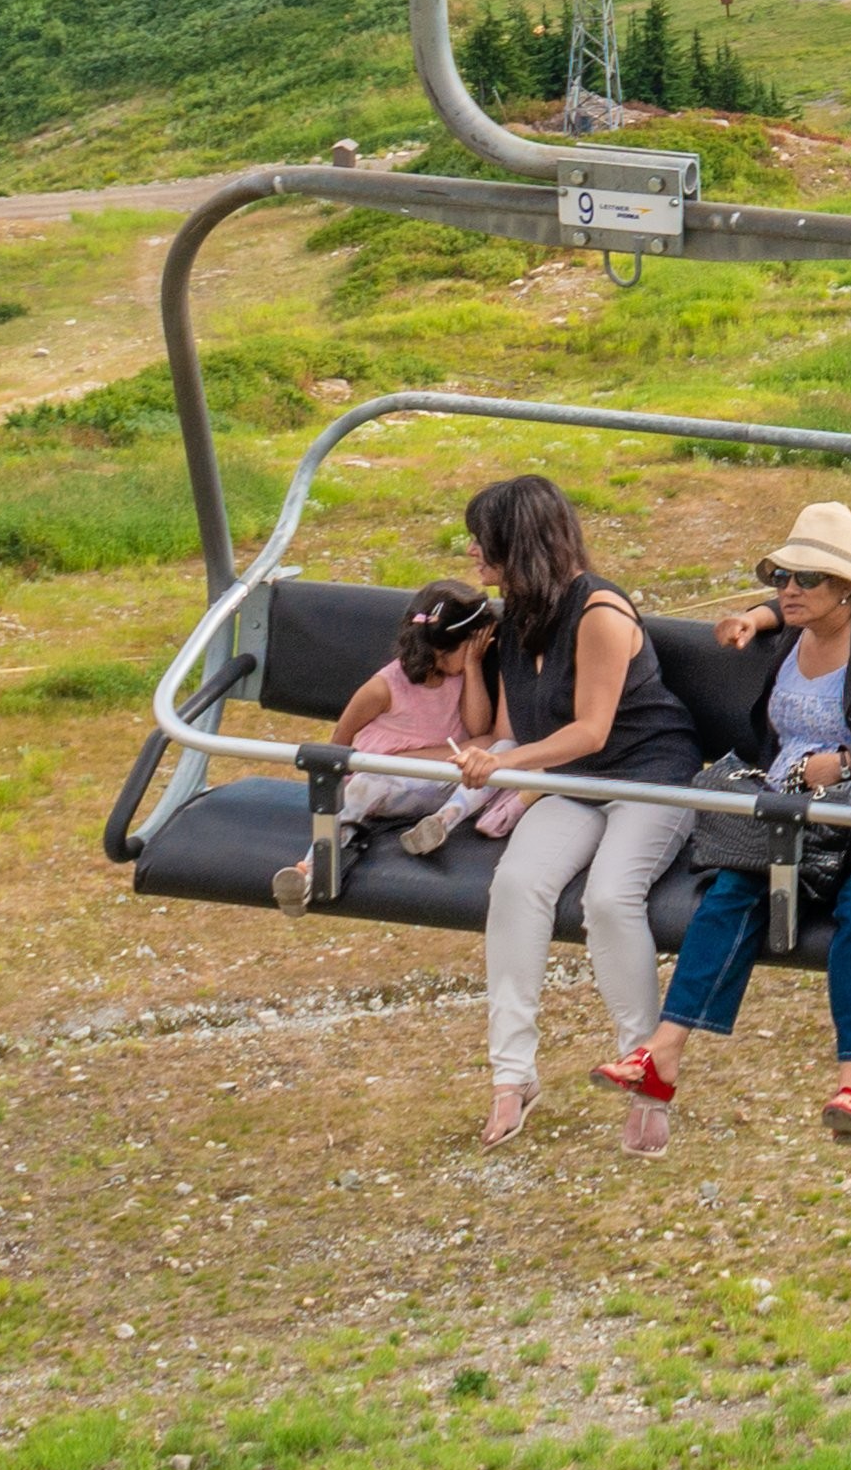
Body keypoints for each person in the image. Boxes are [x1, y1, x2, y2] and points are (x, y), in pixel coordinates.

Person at [634, 500, 851, 1146]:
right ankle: (663, 1051)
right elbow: (777, 615)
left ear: (846, 588)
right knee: (731, 889)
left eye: (805, 579)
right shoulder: (795, 629)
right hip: (798, 819)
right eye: (780, 577)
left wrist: (847, 760)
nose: (788, 590)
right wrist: (750, 618)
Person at [446, 471, 702, 1151]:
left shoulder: (600, 614)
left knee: (614, 899)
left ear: (518, 543)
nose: (472, 553)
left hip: (652, 778)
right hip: (577, 782)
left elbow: (590, 729)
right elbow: (520, 726)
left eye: (483, 541)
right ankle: (512, 1076)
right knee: (516, 885)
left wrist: (505, 764)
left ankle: (646, 1072)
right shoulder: (516, 619)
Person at [268, 581, 500, 909]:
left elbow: (480, 730)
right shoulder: (384, 688)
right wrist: (342, 787)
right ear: (444, 646)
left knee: (497, 750)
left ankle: (441, 822)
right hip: (387, 784)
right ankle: (308, 871)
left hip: (440, 786)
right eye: (474, 646)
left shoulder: (459, 675)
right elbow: (341, 742)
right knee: (361, 789)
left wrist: (473, 666)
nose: (481, 651)